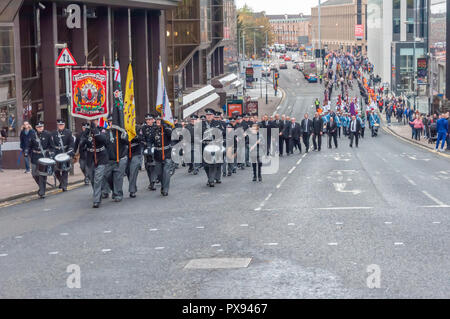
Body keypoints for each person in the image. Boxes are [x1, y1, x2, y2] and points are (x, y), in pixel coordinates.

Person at [79, 120, 109, 208]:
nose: (93, 122)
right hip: (90, 158)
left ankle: (96, 200)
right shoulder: (86, 131)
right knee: (92, 178)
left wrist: (94, 130)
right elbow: (81, 143)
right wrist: (86, 134)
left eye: (95, 121)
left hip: (101, 157)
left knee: (98, 178)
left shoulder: (102, 129)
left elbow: (102, 139)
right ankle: (98, 194)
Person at [28, 121, 55, 198]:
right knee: (34, 174)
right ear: (36, 128)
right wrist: (28, 153)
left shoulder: (48, 134)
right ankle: (41, 186)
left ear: (43, 127)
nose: (40, 128)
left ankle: (42, 191)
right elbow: (29, 146)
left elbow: (52, 146)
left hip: (44, 156)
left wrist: (51, 153)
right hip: (35, 156)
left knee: (42, 174)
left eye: (41, 127)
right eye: (38, 127)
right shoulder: (32, 135)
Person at [104, 116, 129, 202]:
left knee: (118, 177)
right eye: (110, 122)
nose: (111, 123)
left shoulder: (121, 131)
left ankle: (118, 194)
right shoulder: (105, 133)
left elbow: (127, 141)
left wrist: (124, 136)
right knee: (107, 176)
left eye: (112, 121)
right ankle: (114, 190)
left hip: (120, 158)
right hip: (109, 160)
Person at [51, 119, 75, 192]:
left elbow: (71, 142)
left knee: (65, 170)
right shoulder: (53, 133)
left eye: (62, 125)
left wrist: (70, 150)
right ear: (57, 125)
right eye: (59, 125)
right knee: (55, 170)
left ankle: (64, 186)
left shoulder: (68, 132)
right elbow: (52, 144)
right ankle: (62, 181)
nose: (60, 126)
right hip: (57, 153)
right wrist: (53, 152)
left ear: (64, 125)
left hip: (65, 152)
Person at [152, 116, 173, 196]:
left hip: (167, 153)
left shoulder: (167, 128)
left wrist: (165, 126)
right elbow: (150, 139)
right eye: (157, 120)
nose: (158, 121)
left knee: (166, 172)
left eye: (160, 120)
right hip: (157, 153)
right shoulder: (153, 129)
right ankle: (163, 185)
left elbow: (171, 135)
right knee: (159, 173)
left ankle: (165, 189)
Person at [202, 109, 223, 187]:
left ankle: (211, 180)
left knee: (213, 163)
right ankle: (209, 178)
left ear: (213, 116)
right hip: (204, 146)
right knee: (205, 165)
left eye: (210, 115)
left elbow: (222, 133)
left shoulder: (218, 123)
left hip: (215, 146)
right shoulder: (202, 124)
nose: (208, 116)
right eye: (207, 115)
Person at [126, 124, 144, 198]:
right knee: (128, 171)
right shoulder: (123, 127)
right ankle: (133, 185)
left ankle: (132, 190)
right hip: (125, 152)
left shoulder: (137, 127)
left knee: (133, 171)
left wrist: (132, 136)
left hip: (136, 152)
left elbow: (141, 138)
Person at [142, 114, 158, 190]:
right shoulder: (144, 128)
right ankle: (151, 181)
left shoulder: (156, 127)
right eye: (147, 120)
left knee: (154, 166)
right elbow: (142, 138)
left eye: (149, 119)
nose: (148, 121)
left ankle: (153, 181)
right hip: (146, 149)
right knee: (148, 166)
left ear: (153, 120)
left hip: (155, 149)